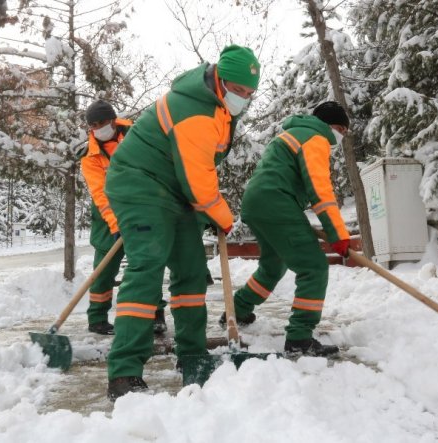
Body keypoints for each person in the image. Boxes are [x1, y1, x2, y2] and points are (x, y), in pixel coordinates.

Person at [104, 44, 261, 399]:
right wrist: (221, 215)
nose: (243, 98)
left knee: (191, 270)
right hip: (140, 184)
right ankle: (124, 373)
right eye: (238, 90)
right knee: (147, 268)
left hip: (176, 190)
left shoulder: (219, 109)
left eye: (250, 93)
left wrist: (208, 207)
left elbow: (201, 168)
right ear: (220, 80)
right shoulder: (194, 111)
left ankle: (191, 352)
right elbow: (198, 180)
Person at [219, 101, 352, 357]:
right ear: (328, 125)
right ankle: (300, 337)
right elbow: (320, 189)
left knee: (273, 265)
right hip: (276, 201)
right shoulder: (316, 137)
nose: (340, 137)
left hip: (257, 202)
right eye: (339, 129)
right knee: (313, 266)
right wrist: (337, 233)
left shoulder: (293, 134)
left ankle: (238, 310)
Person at [80, 99, 167, 336]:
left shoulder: (136, 135)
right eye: (94, 125)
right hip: (107, 213)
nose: (99, 128)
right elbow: (100, 193)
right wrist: (117, 224)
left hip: (141, 206)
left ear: (114, 120)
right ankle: (97, 317)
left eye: (103, 122)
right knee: (105, 266)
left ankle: (156, 314)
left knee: (146, 263)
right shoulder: (89, 155)